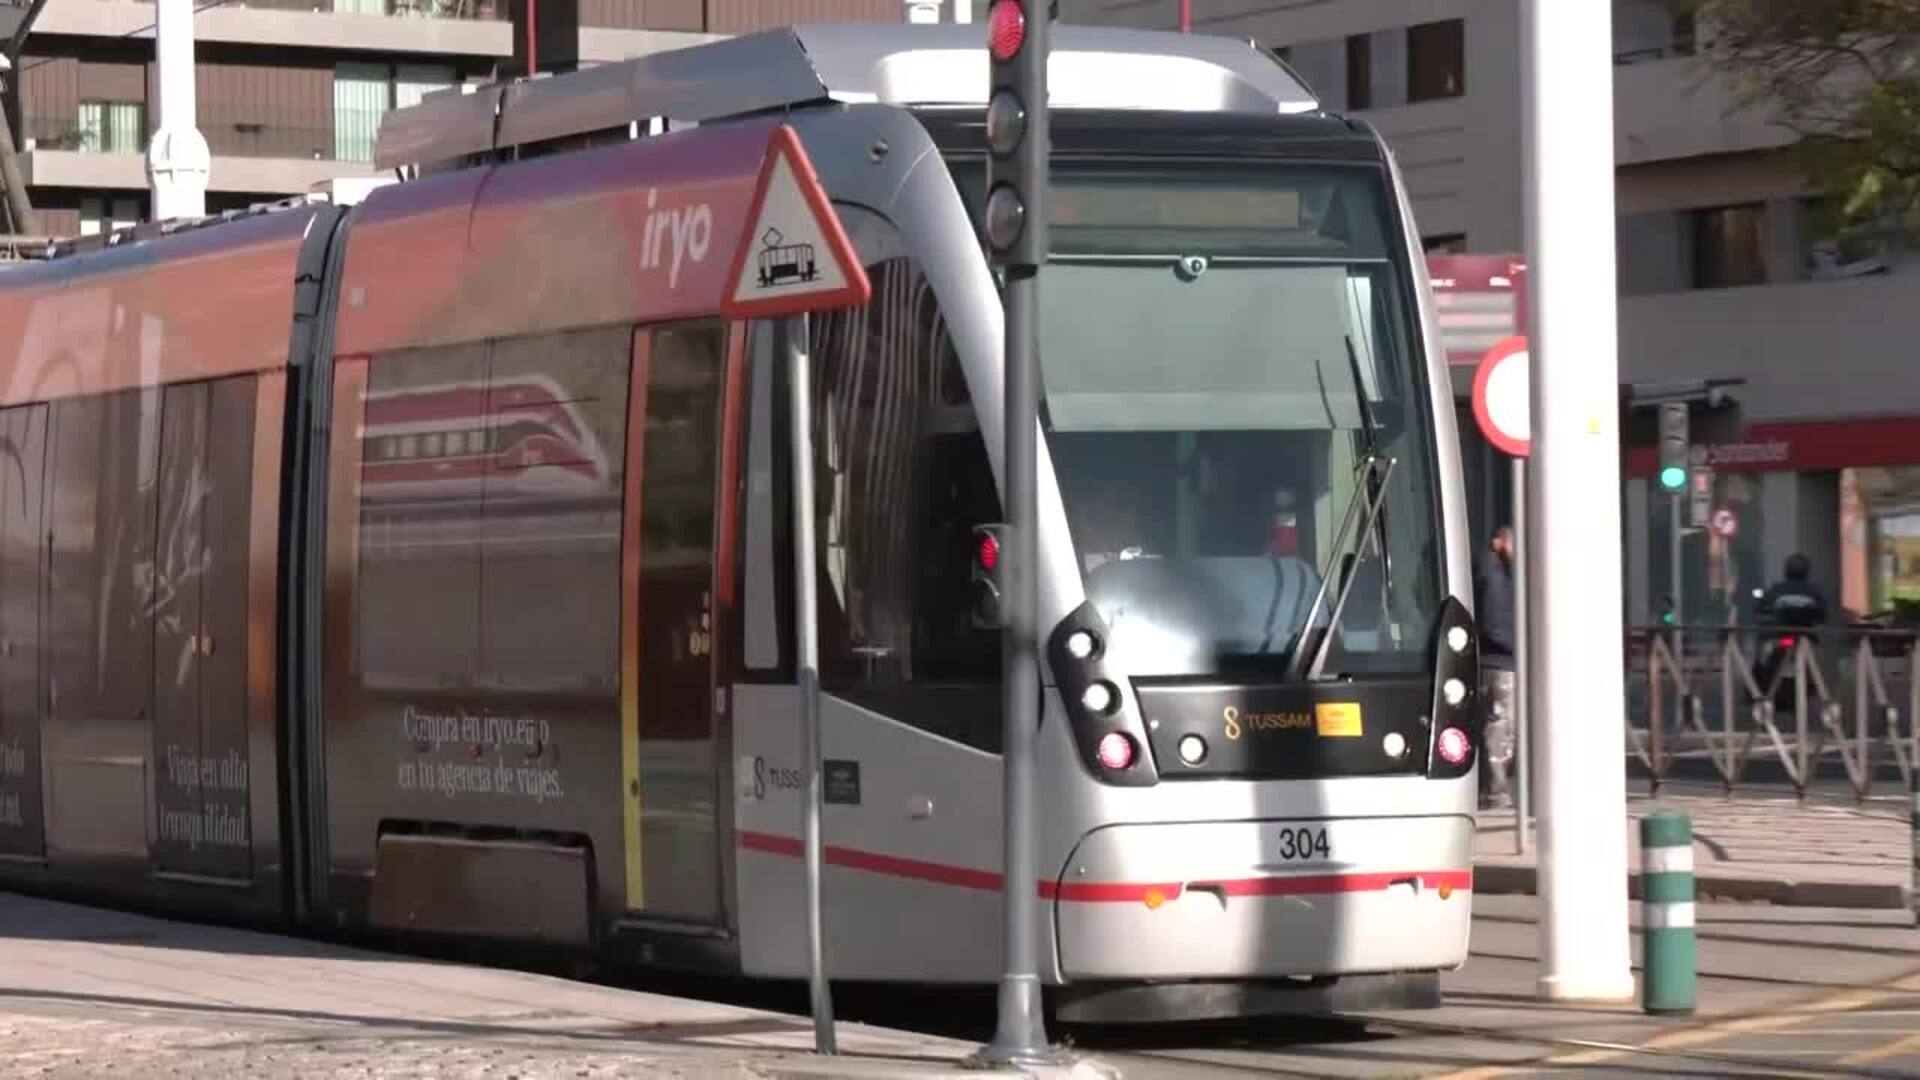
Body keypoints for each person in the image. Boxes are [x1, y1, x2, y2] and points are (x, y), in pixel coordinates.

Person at [1474, 525, 1518, 810]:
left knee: (1495, 724)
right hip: (1500, 661)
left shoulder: (1494, 573)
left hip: (1492, 660)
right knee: (1500, 727)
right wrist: (1515, 646)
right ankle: (1495, 790)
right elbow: (1495, 622)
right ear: (1499, 542)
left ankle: (1491, 788)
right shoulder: (1494, 576)